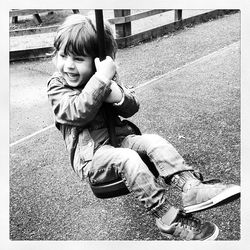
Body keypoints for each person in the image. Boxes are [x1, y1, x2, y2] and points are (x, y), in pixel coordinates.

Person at [47, 14, 240, 241]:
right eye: (62, 56)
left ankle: (191, 187)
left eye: (78, 59)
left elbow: (131, 107)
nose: (68, 65)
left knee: (154, 141)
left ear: (98, 59)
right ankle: (167, 217)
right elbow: (75, 112)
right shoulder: (57, 86)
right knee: (127, 159)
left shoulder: (104, 77)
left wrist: (115, 93)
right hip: (92, 158)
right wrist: (99, 80)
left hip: (118, 140)